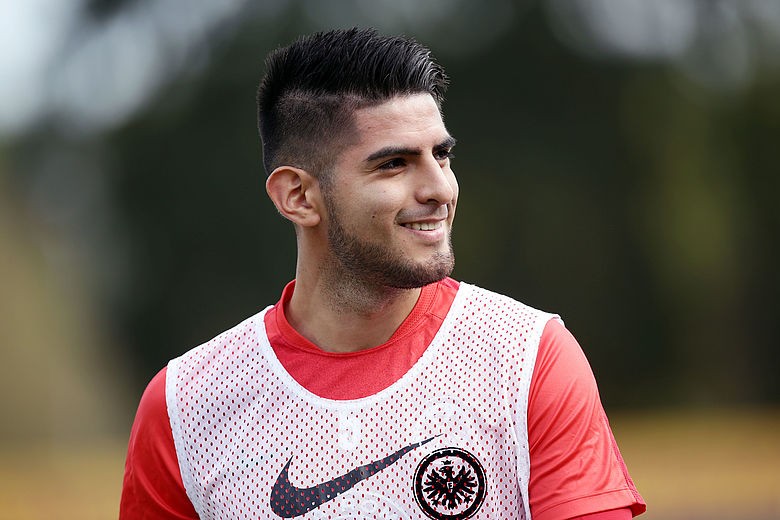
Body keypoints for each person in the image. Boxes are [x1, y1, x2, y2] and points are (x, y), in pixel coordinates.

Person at [120, 28, 646, 520]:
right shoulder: (185, 406)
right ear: (298, 196)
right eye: (394, 163)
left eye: (442, 155)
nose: (439, 189)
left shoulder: (528, 359)